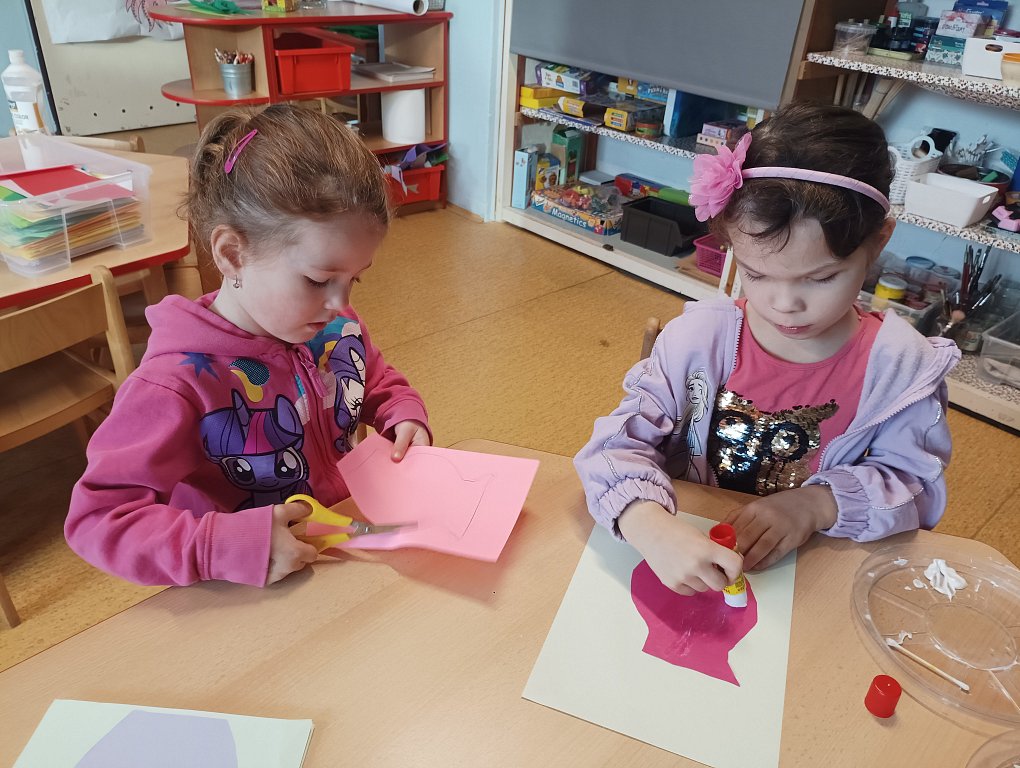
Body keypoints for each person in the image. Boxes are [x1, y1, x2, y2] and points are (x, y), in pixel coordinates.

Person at [574, 103, 959, 596]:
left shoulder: (902, 368)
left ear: (879, 240)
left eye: (821, 277)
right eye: (755, 274)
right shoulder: (699, 340)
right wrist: (646, 522)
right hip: (694, 542)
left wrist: (817, 505)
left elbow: (915, 487)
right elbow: (613, 449)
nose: (784, 304)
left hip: (814, 571)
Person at [66, 104, 431, 588]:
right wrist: (222, 546)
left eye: (355, 279)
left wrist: (401, 412)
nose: (341, 304)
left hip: (341, 555)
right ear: (232, 254)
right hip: (250, 587)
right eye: (318, 279)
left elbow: (372, 376)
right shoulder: (176, 384)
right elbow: (98, 520)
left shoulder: (330, 325)